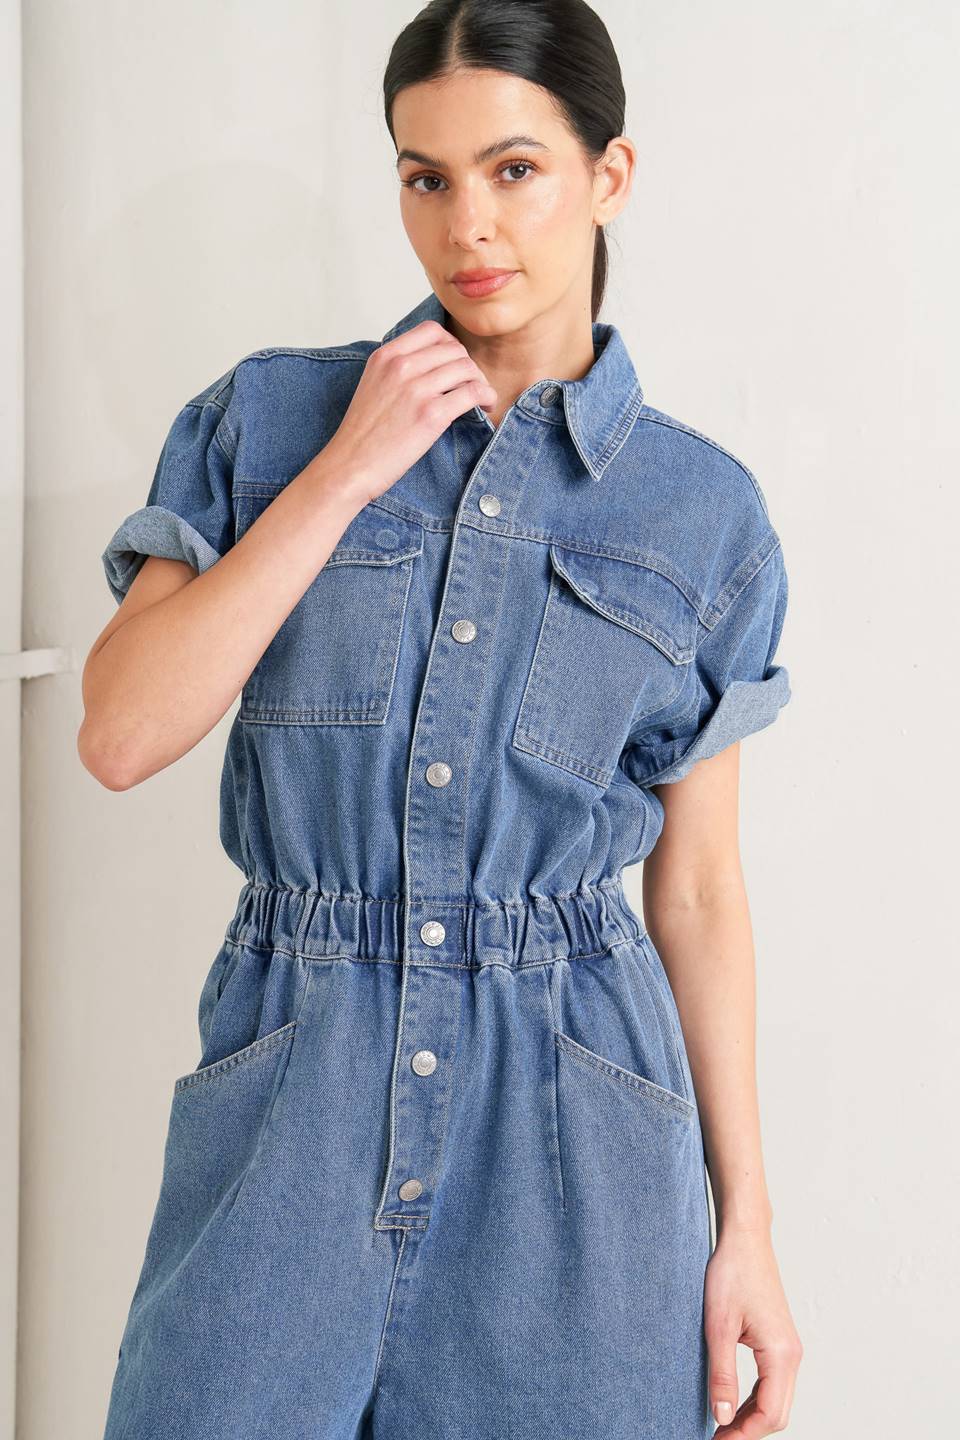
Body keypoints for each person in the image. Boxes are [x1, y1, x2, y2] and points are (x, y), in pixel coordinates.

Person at [78, 2, 803, 1436]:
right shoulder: (269, 421)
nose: (467, 224)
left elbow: (701, 894)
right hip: (293, 1102)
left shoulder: (703, 512)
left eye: (515, 169)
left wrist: (752, 1233)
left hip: (575, 1140)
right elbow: (120, 733)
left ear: (608, 174)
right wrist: (348, 469)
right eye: (427, 176)